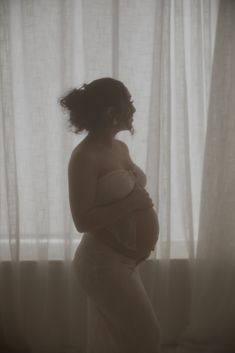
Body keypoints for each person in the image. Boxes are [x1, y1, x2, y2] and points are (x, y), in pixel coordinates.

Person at [59, 77, 161, 353]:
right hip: (101, 263)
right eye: (128, 102)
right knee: (147, 336)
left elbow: (131, 188)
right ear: (110, 113)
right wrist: (133, 204)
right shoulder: (84, 157)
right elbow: (83, 220)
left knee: (115, 340)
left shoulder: (120, 148)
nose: (133, 109)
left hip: (124, 260)